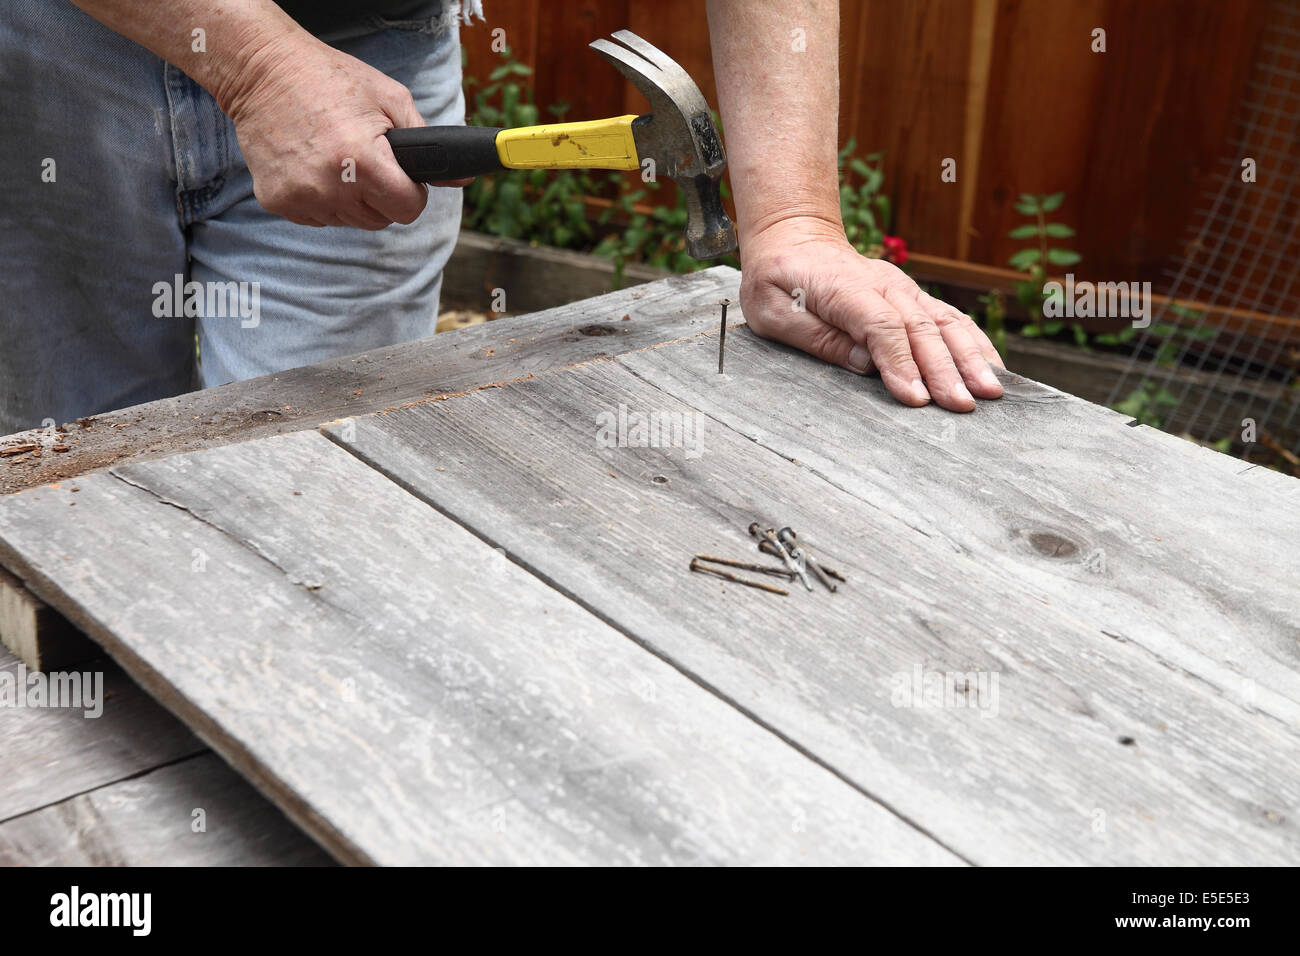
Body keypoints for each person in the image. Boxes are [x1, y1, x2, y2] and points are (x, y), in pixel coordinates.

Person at [0, 0, 1003, 436]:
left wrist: (791, 223)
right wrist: (254, 66)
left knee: (306, 470)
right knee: (64, 454)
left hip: (377, 65)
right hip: (52, 49)